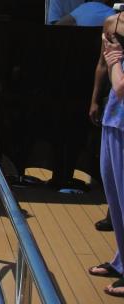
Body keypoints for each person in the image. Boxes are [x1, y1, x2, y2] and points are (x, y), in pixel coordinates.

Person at [88, 32, 124, 298]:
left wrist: (113, 58)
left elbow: (121, 86)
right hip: (115, 119)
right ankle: (121, 260)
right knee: (115, 197)